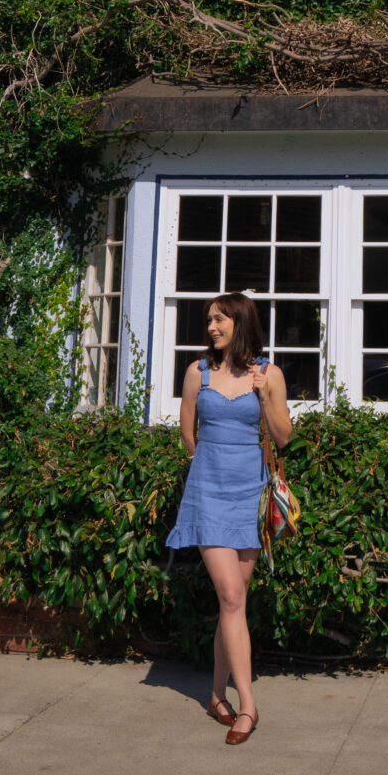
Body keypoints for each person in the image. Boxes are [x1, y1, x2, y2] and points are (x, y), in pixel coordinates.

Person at [165, 291, 291, 745]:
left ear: (240, 322)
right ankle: (249, 706)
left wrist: (263, 398)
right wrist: (210, 470)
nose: (212, 328)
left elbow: (283, 438)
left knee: (231, 603)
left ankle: (217, 694)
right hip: (209, 493)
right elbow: (187, 432)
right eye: (209, 321)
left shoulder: (268, 373)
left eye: (220, 320)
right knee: (233, 595)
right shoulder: (197, 373)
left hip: (251, 495)